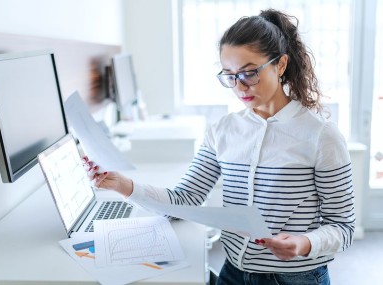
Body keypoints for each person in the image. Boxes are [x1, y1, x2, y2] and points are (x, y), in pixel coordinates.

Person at [84, 8, 355, 285]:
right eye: (229, 75)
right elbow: (184, 200)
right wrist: (122, 185)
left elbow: (343, 227)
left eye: (249, 73)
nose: (240, 86)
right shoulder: (223, 130)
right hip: (233, 273)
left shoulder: (321, 136)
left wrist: (305, 242)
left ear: (281, 65)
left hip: (297, 278)